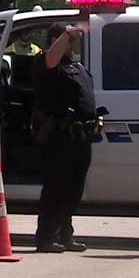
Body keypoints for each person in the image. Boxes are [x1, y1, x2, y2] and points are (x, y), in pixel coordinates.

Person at [32, 22, 97, 253]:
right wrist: (69, 32)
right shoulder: (45, 62)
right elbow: (51, 59)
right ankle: (46, 238)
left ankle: (65, 234)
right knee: (55, 188)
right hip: (59, 137)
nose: (73, 43)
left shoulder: (76, 66)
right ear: (54, 40)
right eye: (68, 39)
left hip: (80, 136)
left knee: (74, 188)